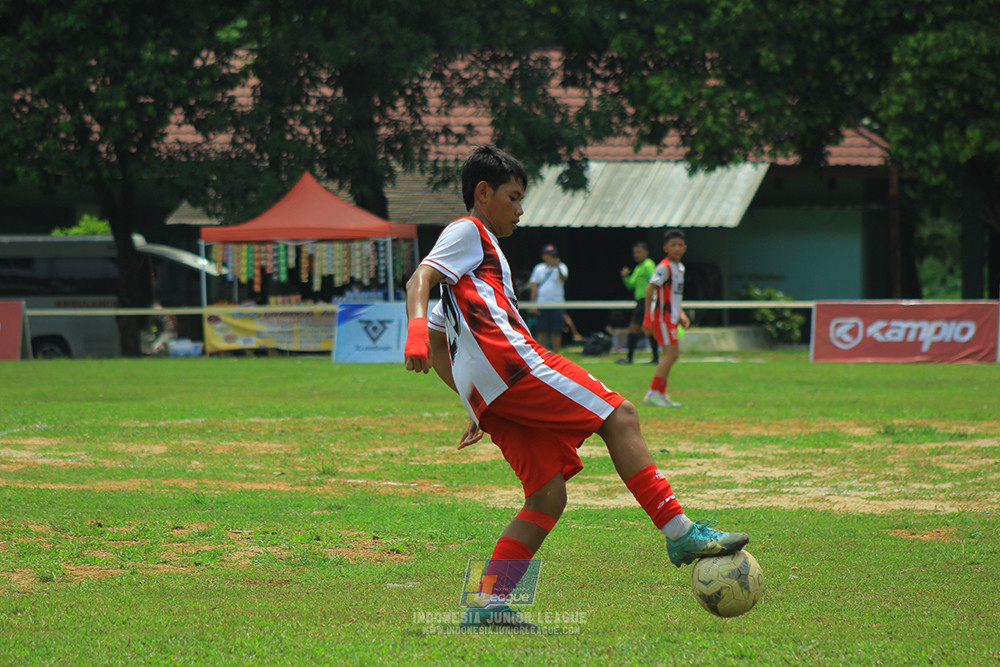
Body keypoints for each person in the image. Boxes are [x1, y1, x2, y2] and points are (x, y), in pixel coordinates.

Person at [403, 145, 749, 630]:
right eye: (514, 197)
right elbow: (419, 283)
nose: (521, 210)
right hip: (515, 367)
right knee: (621, 414)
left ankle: (488, 605)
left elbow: (444, 345)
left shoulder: (472, 272)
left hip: (492, 393)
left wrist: (472, 402)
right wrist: (414, 328)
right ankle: (679, 531)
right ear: (483, 193)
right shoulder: (469, 232)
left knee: (547, 496)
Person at [642, 229, 691, 408]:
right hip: (663, 317)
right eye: (673, 245)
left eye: (680, 245)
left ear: (685, 247)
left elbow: (674, 295)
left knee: (671, 355)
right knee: (670, 354)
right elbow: (650, 289)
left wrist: (681, 313)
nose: (677, 248)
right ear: (665, 248)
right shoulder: (664, 266)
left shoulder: (680, 268)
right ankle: (653, 393)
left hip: (671, 317)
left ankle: (660, 393)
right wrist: (647, 316)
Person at [618, 241, 659, 365]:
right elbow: (631, 285)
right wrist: (624, 277)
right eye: (634, 252)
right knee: (647, 329)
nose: (636, 255)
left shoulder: (648, 265)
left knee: (634, 328)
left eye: (639, 252)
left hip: (646, 300)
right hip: (640, 301)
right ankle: (654, 358)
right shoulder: (638, 267)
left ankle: (630, 358)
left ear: (646, 252)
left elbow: (656, 281)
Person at [527, 244, 568, 352]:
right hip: (542, 304)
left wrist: (557, 265)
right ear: (543, 256)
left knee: (557, 330)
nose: (550, 257)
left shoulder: (562, 267)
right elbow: (534, 287)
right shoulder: (539, 268)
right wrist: (533, 305)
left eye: (552, 255)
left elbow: (564, 278)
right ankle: (542, 355)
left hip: (557, 304)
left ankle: (556, 354)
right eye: (548, 254)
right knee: (542, 330)